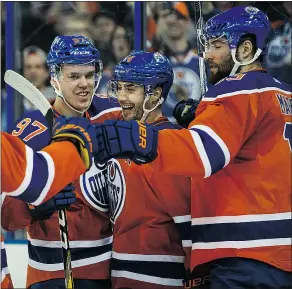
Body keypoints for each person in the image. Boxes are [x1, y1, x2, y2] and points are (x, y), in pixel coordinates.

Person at [94, 6, 292, 289]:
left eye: (218, 46)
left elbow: (203, 153)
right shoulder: (283, 92)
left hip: (244, 255)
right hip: (279, 252)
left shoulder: (238, 89)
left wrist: (140, 140)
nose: (208, 54)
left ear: (246, 49)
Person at [2, 35, 120, 289]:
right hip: (50, 274)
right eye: (74, 76)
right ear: (54, 78)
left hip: (108, 271)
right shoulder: (31, 131)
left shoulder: (109, 115)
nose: (84, 84)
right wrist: (37, 207)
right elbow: (5, 214)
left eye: (89, 75)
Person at [103, 51, 191, 289]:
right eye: (119, 87)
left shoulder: (171, 142)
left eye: (131, 88)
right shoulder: (121, 139)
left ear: (155, 94)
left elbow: (188, 224)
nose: (121, 97)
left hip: (161, 277)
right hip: (120, 273)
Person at [1, 117, 97, 289]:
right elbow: (37, 179)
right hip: (47, 272)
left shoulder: (111, 114)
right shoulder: (33, 126)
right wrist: (74, 143)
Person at [23, 46, 55, 112]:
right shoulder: (11, 100)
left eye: (38, 67)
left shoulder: (57, 101)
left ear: (46, 72)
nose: (33, 71)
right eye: (28, 67)